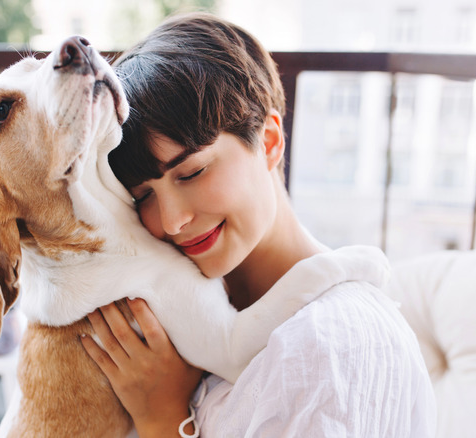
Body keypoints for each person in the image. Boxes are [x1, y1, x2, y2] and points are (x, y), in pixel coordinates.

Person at [79, 12, 436, 438]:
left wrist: (163, 418)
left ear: (268, 141)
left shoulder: (331, 345)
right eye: (144, 196)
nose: (173, 221)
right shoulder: (171, 323)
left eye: (191, 173)